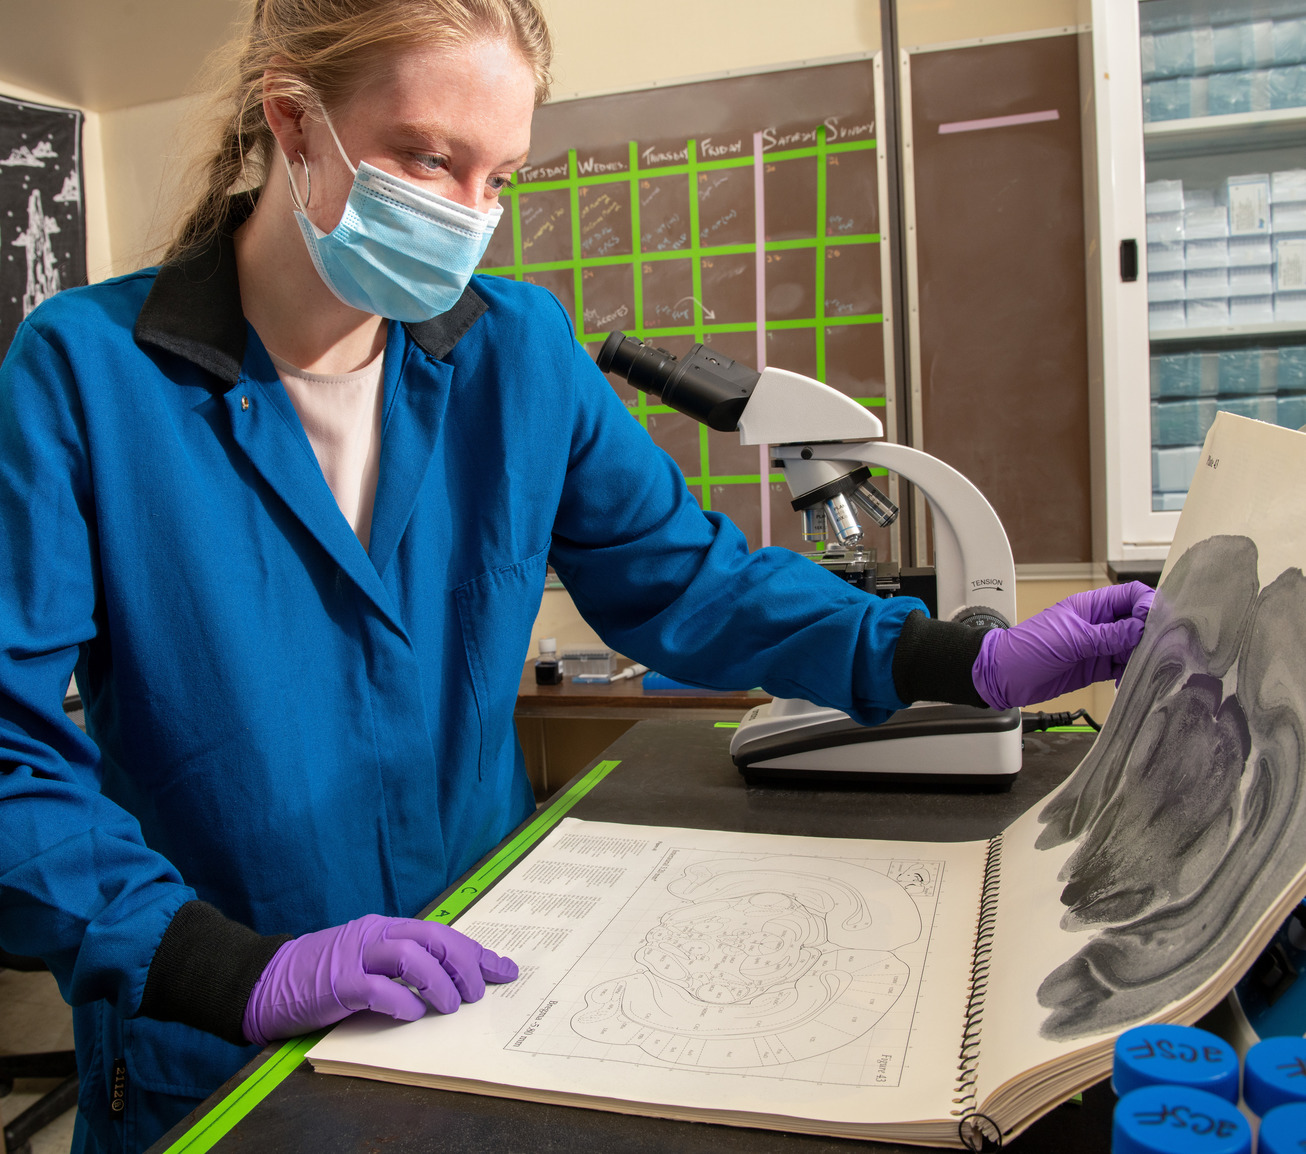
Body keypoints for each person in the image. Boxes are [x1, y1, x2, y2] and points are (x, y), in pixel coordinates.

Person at [0, 2, 1153, 1151]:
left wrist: (963, 654)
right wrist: (231, 969)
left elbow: (689, 579)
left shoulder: (517, 350)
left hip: (479, 1003)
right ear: (293, 123)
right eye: (426, 158)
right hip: (212, 1039)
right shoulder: (81, 375)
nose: (466, 217)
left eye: (496, 176)